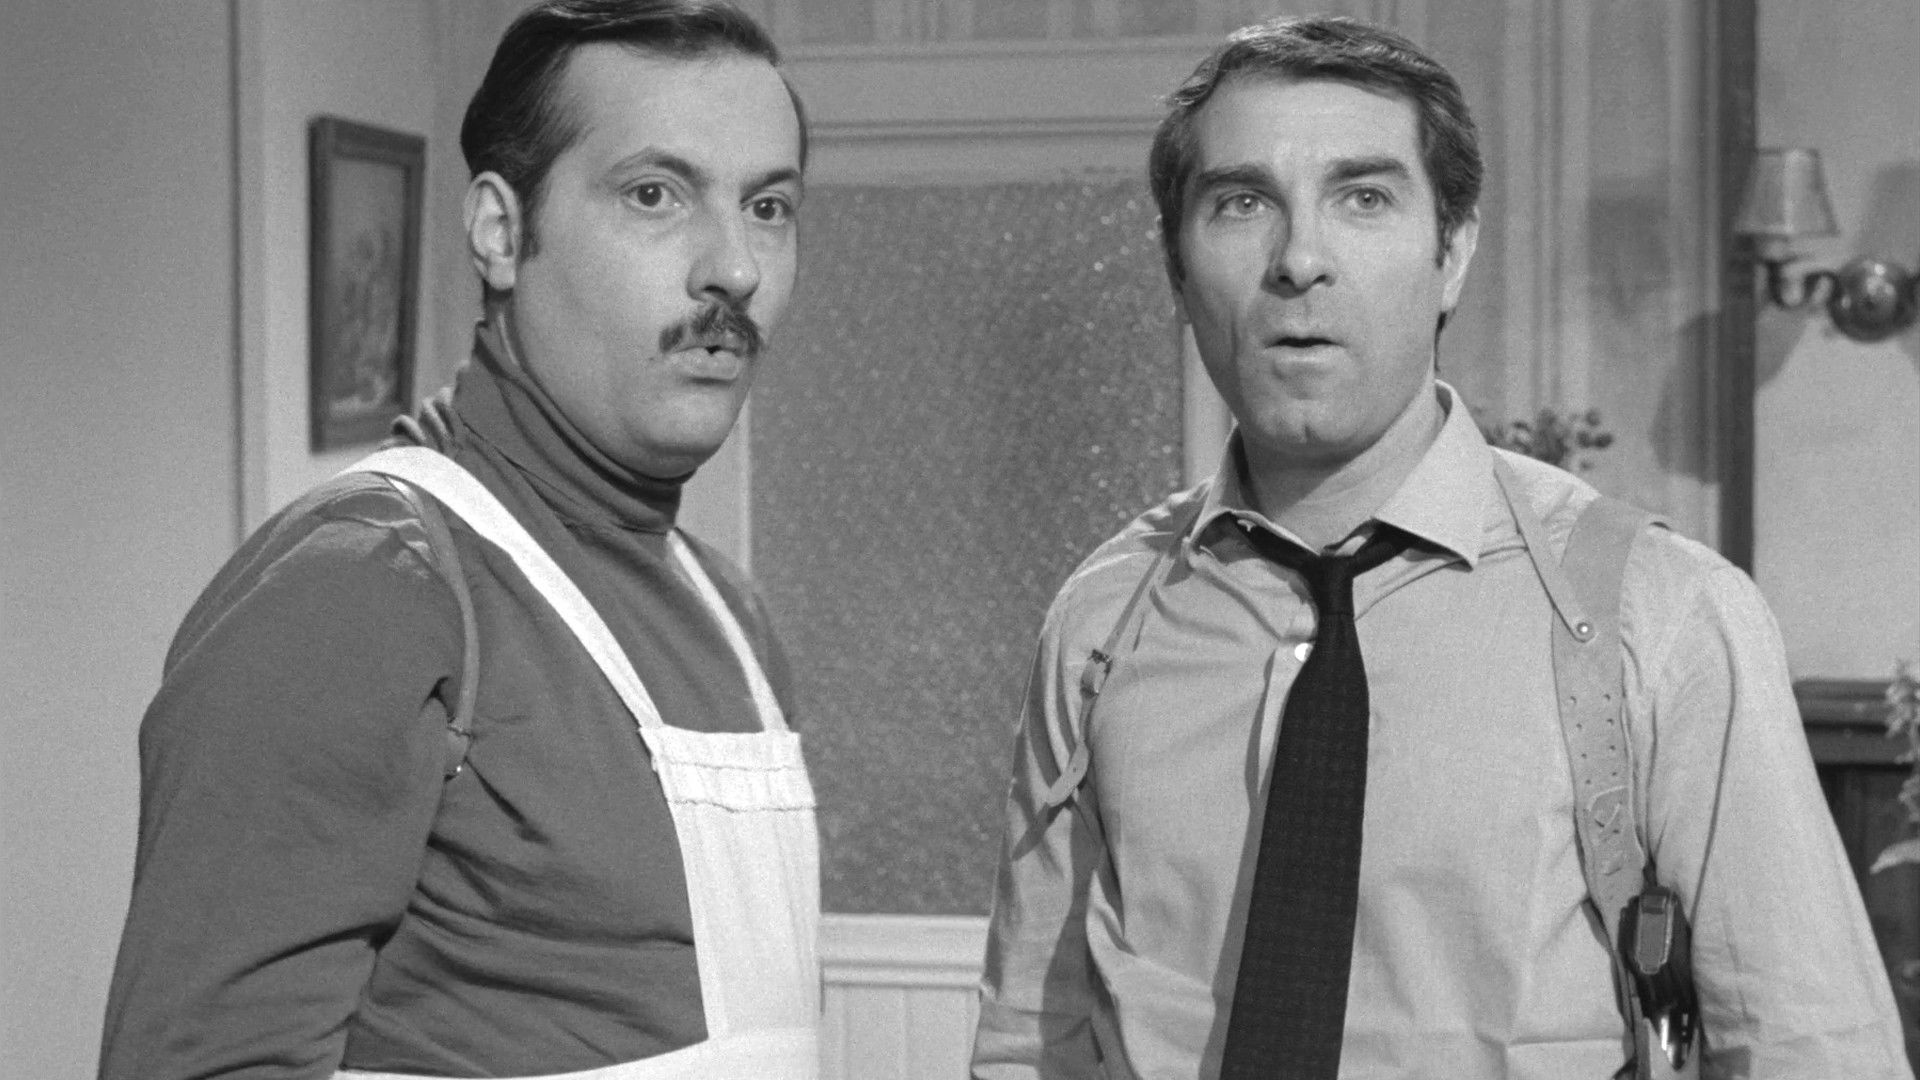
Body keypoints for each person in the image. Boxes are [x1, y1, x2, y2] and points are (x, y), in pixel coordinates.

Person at [972, 15, 1911, 1080]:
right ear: (1178, 270)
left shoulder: (1656, 616)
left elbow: (1812, 1050)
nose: (1300, 260)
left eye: (1364, 198)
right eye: (1242, 203)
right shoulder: (1105, 622)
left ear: (1452, 253)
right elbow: (1028, 1041)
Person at [98, 2, 818, 1077]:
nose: (736, 268)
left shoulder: (731, 615)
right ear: (499, 232)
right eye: (654, 195)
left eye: (767, 207)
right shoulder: (361, 590)